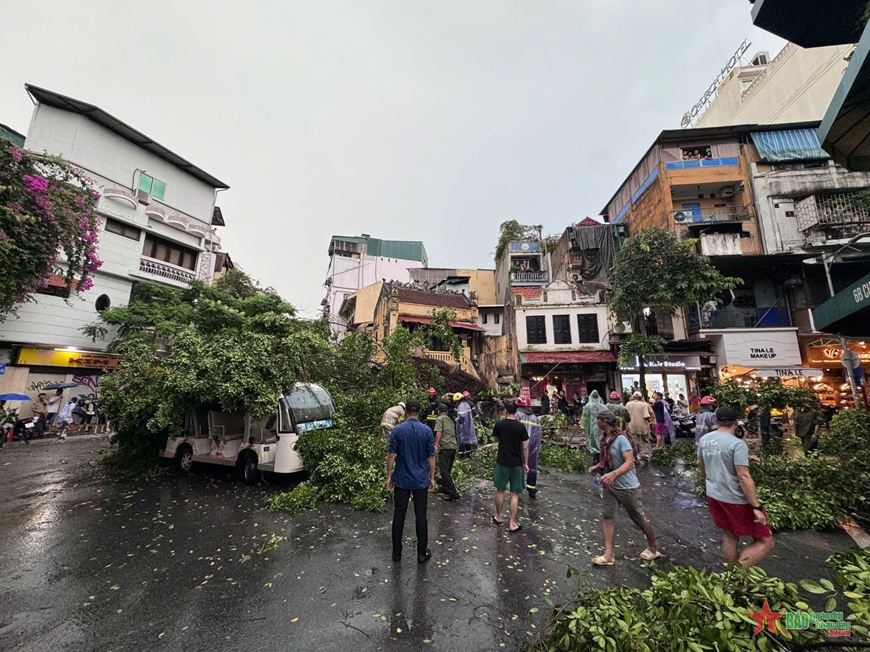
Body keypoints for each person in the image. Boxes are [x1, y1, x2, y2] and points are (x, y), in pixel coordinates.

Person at [697, 407, 773, 568]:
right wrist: (756, 506)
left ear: (716, 421)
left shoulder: (704, 440)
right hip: (735, 499)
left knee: (730, 535)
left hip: (714, 495)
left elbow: (700, 465)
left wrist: (708, 483)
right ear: (736, 422)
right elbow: (743, 476)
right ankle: (736, 575)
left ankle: (730, 575)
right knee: (765, 541)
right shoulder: (737, 444)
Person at [587, 409, 661, 566]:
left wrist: (614, 474)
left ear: (604, 422)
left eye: (598, 419)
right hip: (610, 486)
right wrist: (598, 466)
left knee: (638, 518)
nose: (596, 422)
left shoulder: (622, 439)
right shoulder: (605, 438)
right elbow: (607, 459)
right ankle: (608, 555)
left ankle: (653, 547)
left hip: (628, 487)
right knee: (607, 517)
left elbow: (630, 462)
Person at [386, 399, 435, 564]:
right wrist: (432, 477)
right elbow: (431, 457)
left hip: (401, 479)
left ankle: (396, 553)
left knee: (399, 514)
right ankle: (422, 553)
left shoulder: (398, 430)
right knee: (421, 516)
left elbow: (391, 455)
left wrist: (389, 475)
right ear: (419, 412)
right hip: (420, 480)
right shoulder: (427, 431)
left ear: (405, 412)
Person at [492, 401, 529, 533]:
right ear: (516, 411)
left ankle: (499, 516)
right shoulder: (520, 427)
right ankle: (512, 523)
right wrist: (526, 463)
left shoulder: (499, 425)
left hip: (502, 462)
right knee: (514, 494)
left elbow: (496, 440)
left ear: (506, 410)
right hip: (516, 463)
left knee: (500, 490)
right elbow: (525, 447)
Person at [516, 396, 542, 499]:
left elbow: (514, 430)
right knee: (532, 467)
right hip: (533, 447)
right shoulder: (535, 418)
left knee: (520, 465)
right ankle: (531, 489)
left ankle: (519, 487)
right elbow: (539, 435)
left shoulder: (518, 416)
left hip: (520, 445)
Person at [434, 404, 460, 501]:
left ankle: (453, 492)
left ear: (439, 411)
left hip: (445, 446)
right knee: (447, 470)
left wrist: (436, 444)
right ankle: (445, 488)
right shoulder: (450, 420)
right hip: (453, 447)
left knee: (444, 470)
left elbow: (439, 432)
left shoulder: (439, 419)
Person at [626, 392, 655, 460]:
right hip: (642, 426)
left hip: (631, 425)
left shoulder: (628, 404)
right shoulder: (644, 404)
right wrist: (650, 421)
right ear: (641, 397)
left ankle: (634, 455)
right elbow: (646, 416)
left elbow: (626, 415)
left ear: (633, 397)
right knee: (644, 440)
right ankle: (644, 454)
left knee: (634, 440)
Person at [580, 390, 606, 464]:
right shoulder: (603, 406)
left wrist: (583, 428)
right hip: (601, 427)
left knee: (593, 441)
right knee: (601, 440)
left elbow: (584, 418)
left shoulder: (588, 406)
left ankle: (595, 456)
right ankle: (602, 456)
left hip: (591, 427)